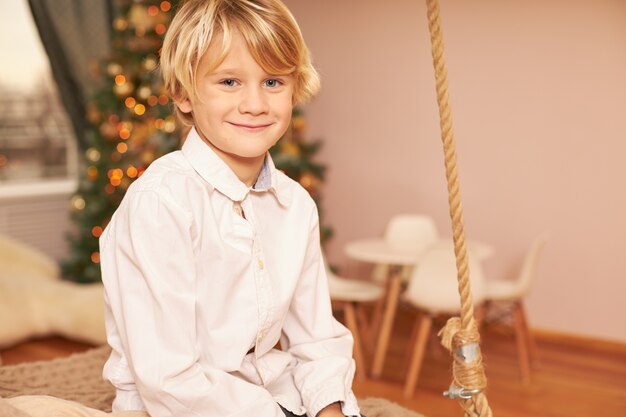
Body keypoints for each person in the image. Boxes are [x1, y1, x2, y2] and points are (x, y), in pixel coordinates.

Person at [99, 1, 361, 416]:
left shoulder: (295, 206)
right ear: (184, 94)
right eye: (230, 82)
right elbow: (168, 378)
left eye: (273, 82)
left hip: (271, 394)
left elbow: (315, 337)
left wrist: (329, 408)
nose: (255, 104)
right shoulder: (160, 204)